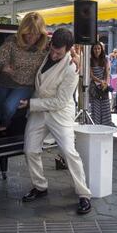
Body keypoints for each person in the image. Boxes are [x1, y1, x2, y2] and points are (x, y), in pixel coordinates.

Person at [20, 28, 92, 214]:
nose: (53, 54)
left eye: (58, 52)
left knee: (69, 152)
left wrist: (30, 103)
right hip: (39, 110)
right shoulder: (48, 49)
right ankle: (40, 187)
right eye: (52, 49)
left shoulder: (72, 68)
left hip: (59, 112)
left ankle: (84, 194)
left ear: (68, 49)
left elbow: (60, 101)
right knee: (30, 150)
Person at [0, 12, 49, 134]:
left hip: (26, 85)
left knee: (9, 107)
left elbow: (64, 48)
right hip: (5, 82)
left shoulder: (45, 45)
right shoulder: (12, 41)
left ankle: (5, 124)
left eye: (36, 34)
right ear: (23, 31)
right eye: (29, 33)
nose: (32, 37)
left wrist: (75, 56)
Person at [89, 42, 112, 126]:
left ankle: (105, 125)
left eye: (98, 48)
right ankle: (96, 125)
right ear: (92, 50)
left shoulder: (105, 59)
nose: (97, 50)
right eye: (95, 48)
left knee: (105, 106)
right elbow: (91, 75)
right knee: (96, 107)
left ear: (101, 49)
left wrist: (105, 82)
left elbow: (107, 72)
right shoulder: (90, 59)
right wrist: (100, 81)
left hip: (103, 84)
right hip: (94, 86)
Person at [109, 48, 117, 113]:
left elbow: (116, 68)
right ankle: (112, 107)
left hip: (116, 77)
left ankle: (113, 107)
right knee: (112, 93)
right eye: (113, 52)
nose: (114, 53)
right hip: (111, 77)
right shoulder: (112, 60)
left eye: (116, 52)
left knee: (114, 94)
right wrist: (110, 58)